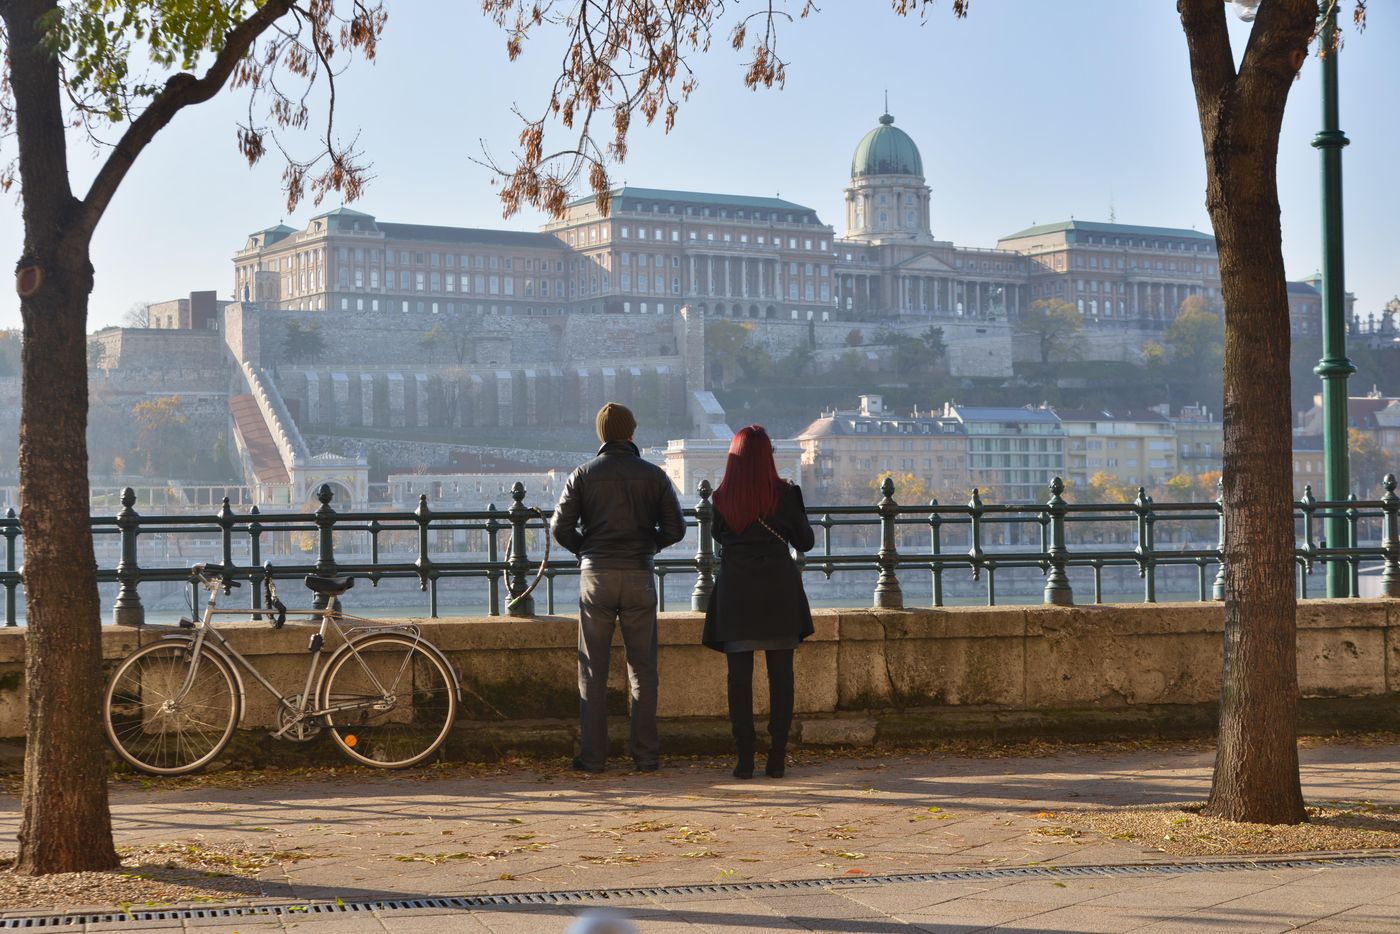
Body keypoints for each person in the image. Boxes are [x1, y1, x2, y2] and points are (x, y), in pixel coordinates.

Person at [553, 402, 686, 773]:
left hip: (596, 576)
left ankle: (593, 758)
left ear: (601, 435)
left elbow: (559, 528)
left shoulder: (583, 474)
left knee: (592, 669)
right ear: (631, 433)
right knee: (642, 669)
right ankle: (645, 756)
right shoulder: (654, 475)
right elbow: (676, 529)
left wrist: (587, 551)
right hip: (639, 575)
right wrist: (647, 546)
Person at [701, 425, 815, 779]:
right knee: (782, 677)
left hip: (737, 590)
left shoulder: (721, 498)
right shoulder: (787, 493)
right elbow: (806, 542)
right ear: (769, 457)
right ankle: (777, 756)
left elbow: (720, 539)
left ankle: (744, 758)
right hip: (778, 589)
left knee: (739, 680)